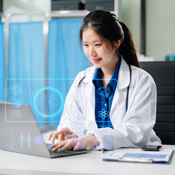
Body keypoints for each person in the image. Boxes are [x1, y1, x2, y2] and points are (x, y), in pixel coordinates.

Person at [49, 10, 161, 152]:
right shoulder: (82, 80)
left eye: (97, 44)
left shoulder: (142, 81)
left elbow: (137, 132)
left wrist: (93, 139)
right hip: (93, 157)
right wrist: (72, 134)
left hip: (133, 157)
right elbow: (72, 120)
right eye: (86, 45)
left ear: (117, 43)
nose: (91, 53)